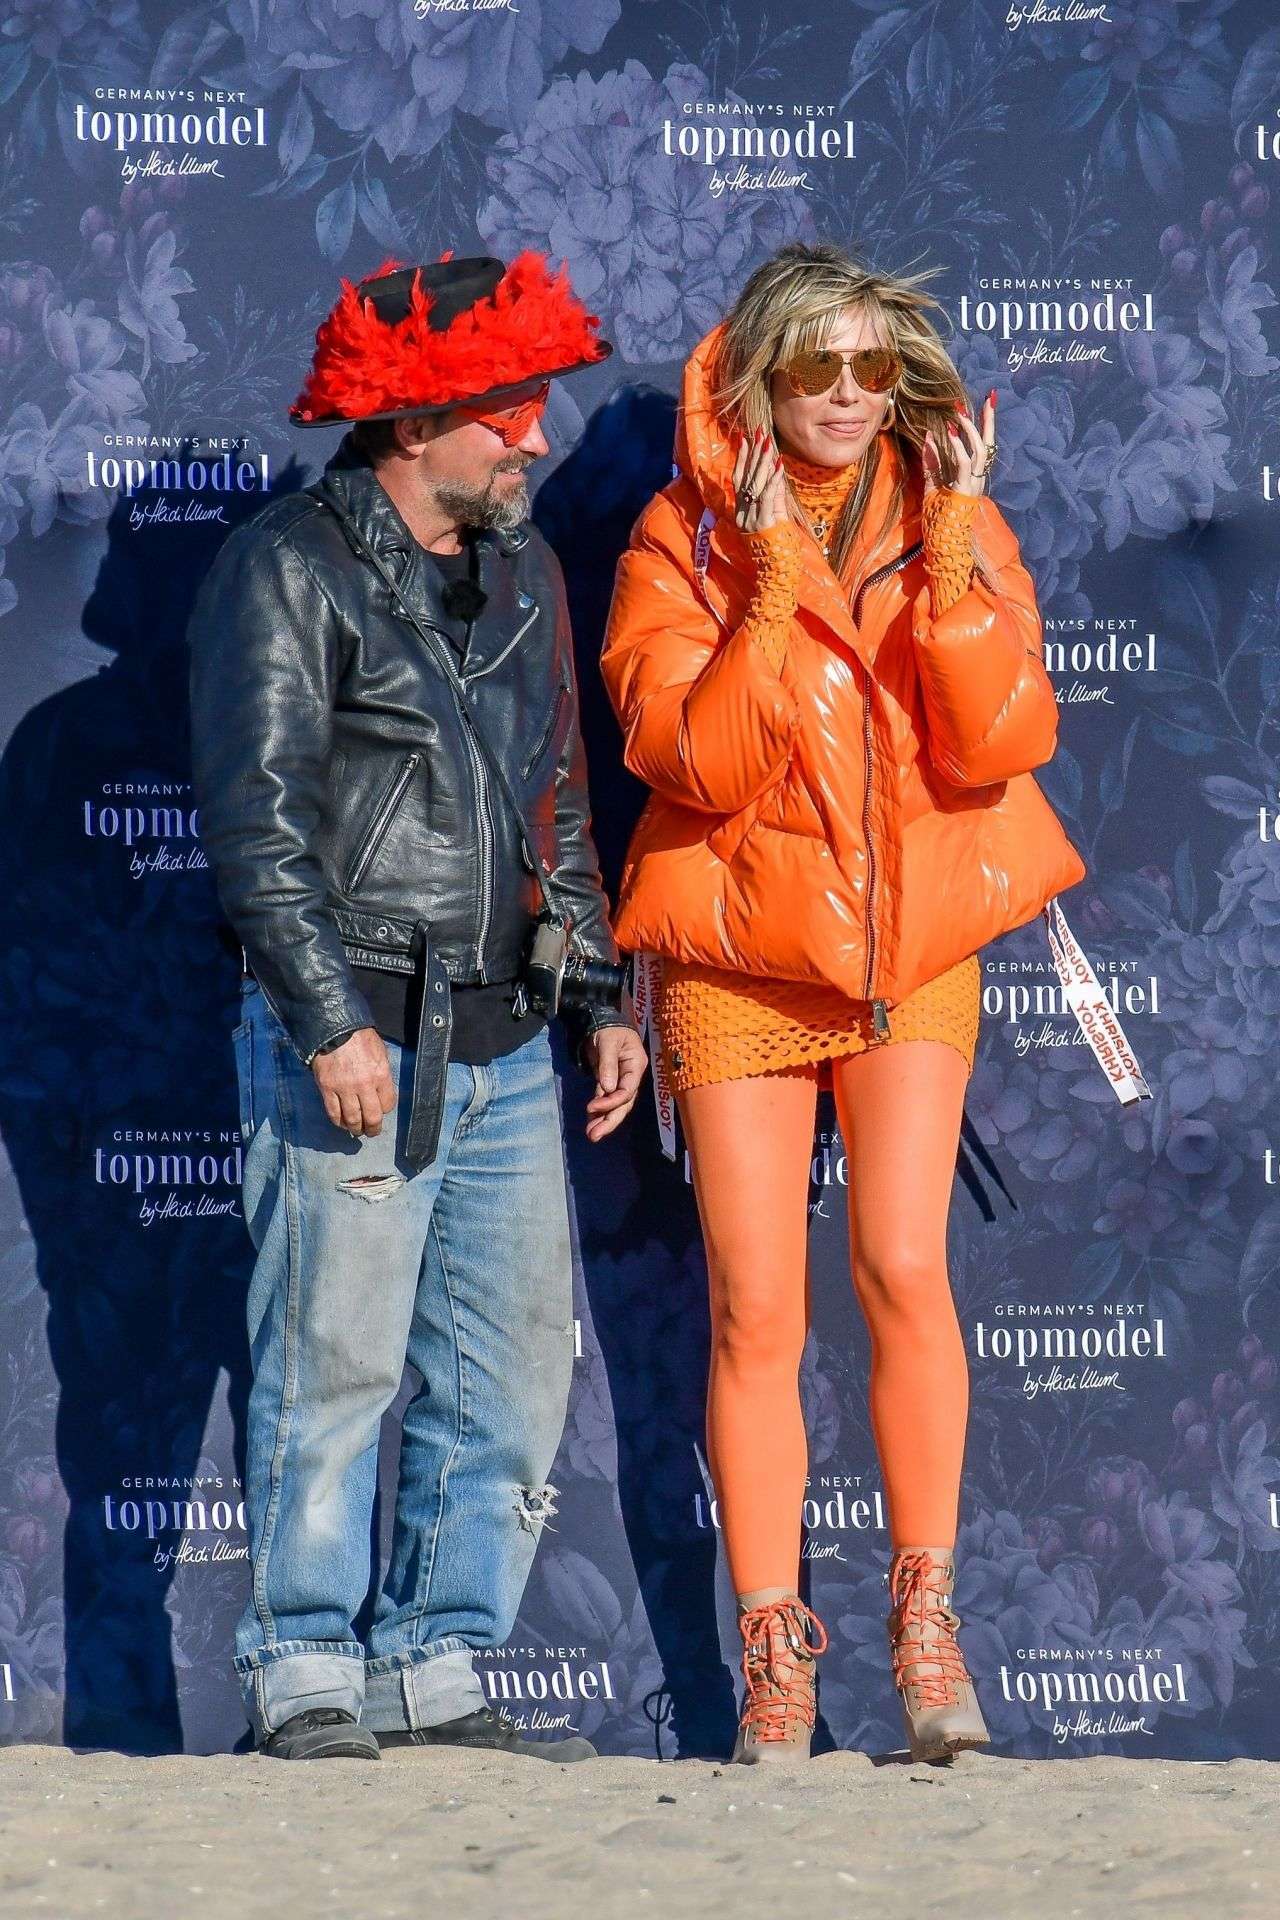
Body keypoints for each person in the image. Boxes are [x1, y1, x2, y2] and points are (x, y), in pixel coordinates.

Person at [599, 239, 1092, 1766]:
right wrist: (766, 590)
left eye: (874, 366)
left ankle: (928, 1638)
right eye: (816, 364)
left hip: (910, 944)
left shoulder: (955, 516)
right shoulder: (676, 540)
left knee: (901, 1265)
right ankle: (775, 1663)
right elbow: (698, 762)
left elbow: (1004, 738)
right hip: (738, 953)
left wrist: (950, 564)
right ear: (760, 376)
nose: (848, 393)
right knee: (756, 1307)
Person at [189, 250, 648, 1763]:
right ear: (411, 421)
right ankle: (304, 1668)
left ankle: (436, 1665)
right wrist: (328, 1023)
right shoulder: (285, 568)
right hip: (362, 1027)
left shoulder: (525, 568)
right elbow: (257, 829)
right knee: (334, 1362)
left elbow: (556, 803)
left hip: (507, 1036)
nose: (537, 438)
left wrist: (602, 992)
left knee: (508, 1373)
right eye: (509, 413)